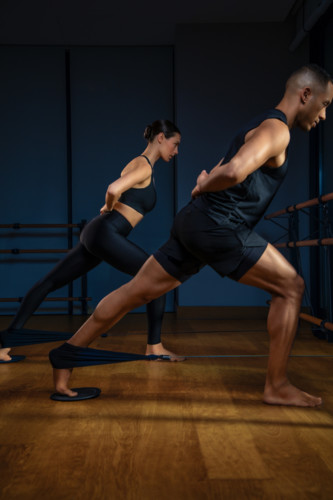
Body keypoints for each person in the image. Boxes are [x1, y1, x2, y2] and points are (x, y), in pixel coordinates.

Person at [49, 64, 333, 407]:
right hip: (219, 226)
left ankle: (66, 357)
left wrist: (204, 184)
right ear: (306, 94)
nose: (324, 114)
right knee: (291, 287)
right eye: (324, 103)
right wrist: (203, 187)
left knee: (133, 293)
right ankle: (277, 386)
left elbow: (221, 167)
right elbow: (232, 171)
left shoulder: (258, 125)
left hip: (195, 223)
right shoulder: (278, 130)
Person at [0, 120, 182, 363]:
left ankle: (3, 346)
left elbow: (120, 192)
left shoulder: (137, 163)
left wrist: (107, 209)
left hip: (98, 232)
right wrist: (108, 208)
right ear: (161, 137)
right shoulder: (145, 167)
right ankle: (154, 347)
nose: (176, 151)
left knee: (50, 281)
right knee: (158, 276)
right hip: (105, 232)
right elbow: (113, 188)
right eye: (175, 144)